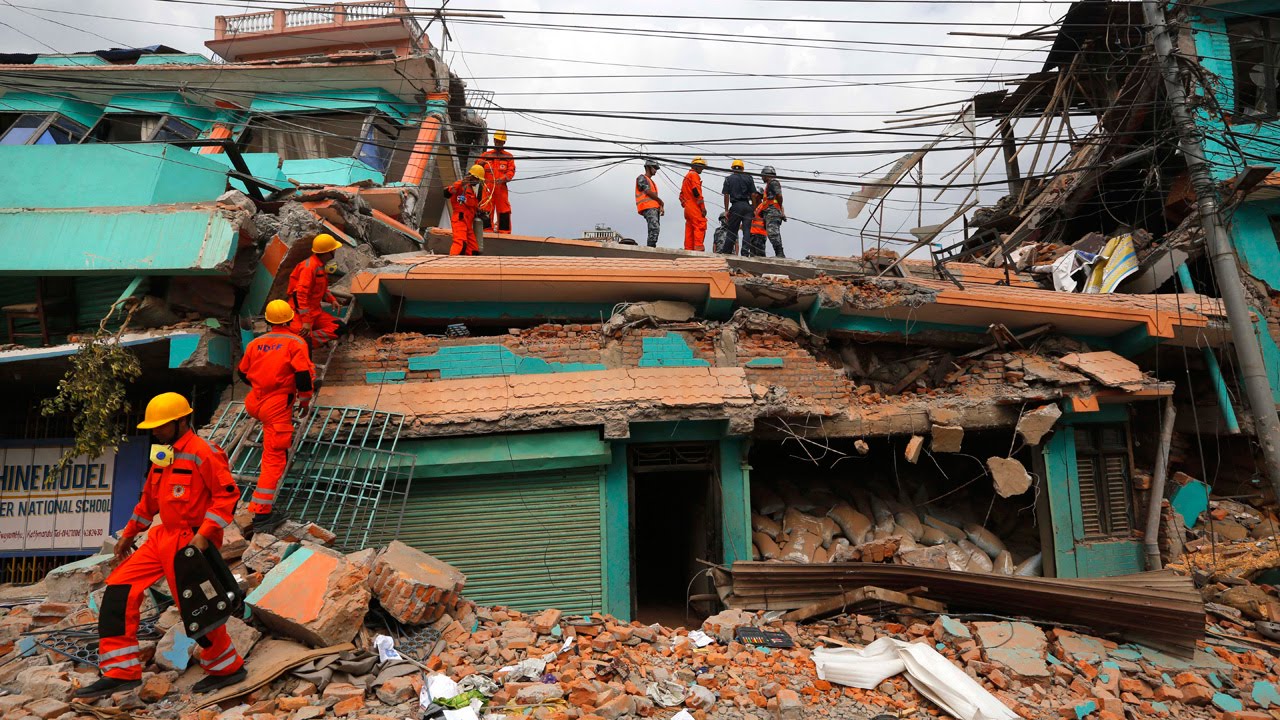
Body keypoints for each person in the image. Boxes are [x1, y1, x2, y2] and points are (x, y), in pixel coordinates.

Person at [74, 393, 244, 699]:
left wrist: (204, 536)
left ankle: (227, 669)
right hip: (161, 537)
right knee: (118, 589)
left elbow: (227, 495)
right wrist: (129, 533)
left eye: (161, 426)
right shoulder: (163, 455)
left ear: (181, 422)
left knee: (197, 608)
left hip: (191, 540)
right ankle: (120, 672)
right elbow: (149, 500)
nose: (155, 432)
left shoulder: (203, 452)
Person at [238, 300, 315, 537]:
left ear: (269, 322)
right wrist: (304, 400)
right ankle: (262, 515)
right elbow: (302, 376)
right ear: (291, 319)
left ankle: (261, 510)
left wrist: (263, 385)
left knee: (272, 454)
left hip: (255, 401)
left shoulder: (255, 343)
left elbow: (242, 373)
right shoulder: (296, 342)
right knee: (274, 461)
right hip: (277, 406)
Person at [287, 233, 346, 349]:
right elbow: (300, 295)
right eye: (333, 249)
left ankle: (307, 340)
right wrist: (306, 321)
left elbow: (321, 288)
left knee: (339, 327)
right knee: (301, 339)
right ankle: (303, 341)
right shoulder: (309, 267)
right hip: (299, 313)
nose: (335, 251)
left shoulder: (319, 265)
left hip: (315, 312)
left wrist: (332, 299)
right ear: (327, 252)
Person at [477, 130, 515, 233]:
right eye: (497, 141)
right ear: (494, 140)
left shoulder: (508, 157)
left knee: (504, 209)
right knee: (486, 208)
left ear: (504, 143)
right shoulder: (486, 155)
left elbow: (511, 172)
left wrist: (503, 179)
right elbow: (476, 168)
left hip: (501, 187)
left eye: (501, 142)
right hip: (488, 186)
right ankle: (486, 231)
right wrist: (479, 165)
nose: (499, 143)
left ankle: (504, 232)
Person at [445, 164, 485, 256]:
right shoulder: (460, 186)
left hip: (468, 224)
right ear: (472, 177)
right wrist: (461, 183)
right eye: (477, 179)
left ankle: (468, 268)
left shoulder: (472, 192)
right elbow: (447, 193)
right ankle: (452, 264)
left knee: (474, 250)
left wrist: (479, 210)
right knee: (461, 244)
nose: (478, 182)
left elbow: (472, 207)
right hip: (460, 219)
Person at [721, 159, 756, 255]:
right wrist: (754, 208)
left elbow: (726, 195)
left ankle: (726, 252)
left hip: (736, 206)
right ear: (743, 169)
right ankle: (745, 252)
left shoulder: (728, 179)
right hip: (747, 206)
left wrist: (726, 210)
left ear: (733, 169)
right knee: (747, 230)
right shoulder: (749, 178)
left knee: (732, 230)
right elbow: (753, 194)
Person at [679, 157, 708, 251]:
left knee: (690, 228)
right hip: (694, 207)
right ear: (695, 166)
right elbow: (696, 192)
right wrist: (702, 208)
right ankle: (698, 249)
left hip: (687, 208)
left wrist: (685, 204)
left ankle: (689, 249)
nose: (702, 169)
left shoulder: (686, 177)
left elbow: (681, 195)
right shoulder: (694, 175)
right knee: (699, 225)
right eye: (701, 167)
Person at [635, 158, 663, 247]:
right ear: (648, 167)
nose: (655, 170)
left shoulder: (652, 182)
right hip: (647, 207)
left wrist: (660, 206)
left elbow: (653, 197)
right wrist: (660, 201)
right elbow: (647, 192)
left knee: (655, 229)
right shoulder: (641, 178)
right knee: (654, 228)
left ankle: (651, 246)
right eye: (654, 167)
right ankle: (650, 247)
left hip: (654, 208)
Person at [760, 166, 786, 258]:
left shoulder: (773, 182)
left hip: (773, 212)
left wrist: (779, 210)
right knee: (772, 233)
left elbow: (779, 196)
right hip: (770, 212)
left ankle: (780, 253)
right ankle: (779, 253)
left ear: (767, 175)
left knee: (773, 233)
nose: (761, 177)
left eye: (763, 175)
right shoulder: (769, 185)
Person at [745, 191, 768, 257]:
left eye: (755, 194)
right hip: (752, 235)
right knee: (753, 257)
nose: (753, 196)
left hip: (760, 234)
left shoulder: (764, 205)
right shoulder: (754, 207)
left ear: (760, 196)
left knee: (760, 257)